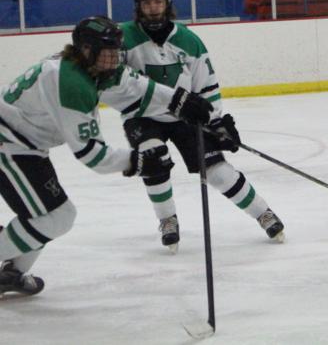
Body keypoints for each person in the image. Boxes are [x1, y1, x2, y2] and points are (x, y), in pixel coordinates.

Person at [0, 16, 213, 296]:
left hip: (23, 146)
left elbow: (138, 85)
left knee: (49, 216)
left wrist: (179, 100)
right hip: (8, 144)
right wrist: (137, 161)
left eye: (116, 51)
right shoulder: (71, 84)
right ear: (86, 49)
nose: (114, 58)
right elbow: (91, 155)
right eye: (107, 51)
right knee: (54, 217)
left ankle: (10, 274)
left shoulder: (90, 67)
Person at [120, 0, 285, 252]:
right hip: (142, 116)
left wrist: (216, 122)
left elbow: (206, 86)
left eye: (158, 1)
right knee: (153, 160)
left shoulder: (188, 40)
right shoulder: (124, 38)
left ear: (167, 2)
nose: (153, 8)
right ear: (138, 6)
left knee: (217, 170)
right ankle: (168, 220)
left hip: (184, 115)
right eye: (146, 2)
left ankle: (263, 213)